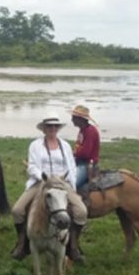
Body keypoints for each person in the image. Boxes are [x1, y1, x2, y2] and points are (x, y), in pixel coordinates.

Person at [9, 110, 88, 263]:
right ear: (44, 128)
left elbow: (71, 166)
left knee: (81, 211)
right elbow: (32, 166)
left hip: (61, 182)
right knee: (17, 210)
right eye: (49, 127)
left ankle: (73, 247)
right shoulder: (35, 145)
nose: (52, 129)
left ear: (58, 128)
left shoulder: (64, 145)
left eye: (55, 127)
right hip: (41, 182)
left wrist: (70, 185)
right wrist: (42, 177)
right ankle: (22, 244)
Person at [71, 105, 100, 190]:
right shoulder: (83, 130)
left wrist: (72, 153)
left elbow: (85, 153)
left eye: (74, 117)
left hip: (86, 164)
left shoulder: (90, 131)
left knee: (72, 184)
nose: (72, 120)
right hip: (79, 162)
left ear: (80, 119)